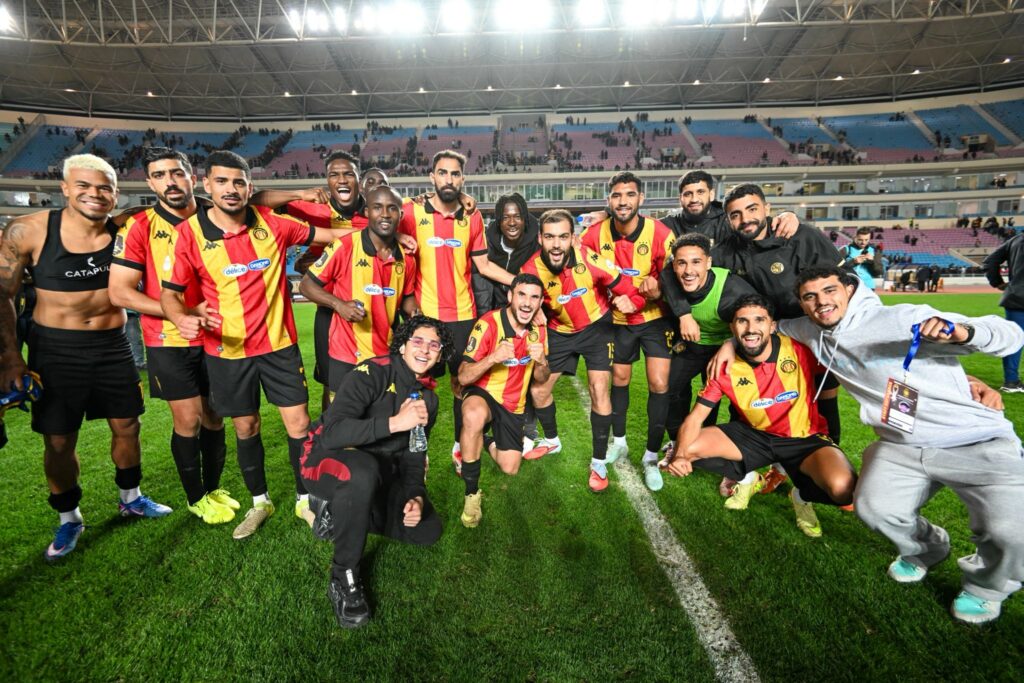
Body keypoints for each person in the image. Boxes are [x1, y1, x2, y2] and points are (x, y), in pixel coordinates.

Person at [784, 265, 1024, 624]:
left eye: (830, 291)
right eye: (810, 297)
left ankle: (986, 588)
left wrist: (963, 332)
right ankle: (926, 549)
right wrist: (728, 345)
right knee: (873, 508)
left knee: (1013, 532)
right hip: (901, 444)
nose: (821, 302)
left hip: (976, 438)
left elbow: (1010, 334)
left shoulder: (902, 318)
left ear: (849, 290)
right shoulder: (810, 329)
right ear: (802, 304)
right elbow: (766, 326)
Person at [161, 150, 349, 540]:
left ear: (250, 187)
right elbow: (170, 293)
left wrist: (390, 230)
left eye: (239, 182)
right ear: (207, 185)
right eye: (222, 182)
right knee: (246, 426)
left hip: (279, 347)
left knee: (299, 424)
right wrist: (179, 317)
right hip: (227, 352)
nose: (231, 189)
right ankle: (260, 502)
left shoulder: (273, 223)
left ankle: (305, 499)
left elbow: (333, 236)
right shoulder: (189, 234)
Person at [0, 154, 170, 561]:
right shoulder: (28, 230)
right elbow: (3, 294)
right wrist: (11, 357)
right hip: (55, 349)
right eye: (83, 186)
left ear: (116, 192)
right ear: (64, 188)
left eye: (104, 187)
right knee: (59, 439)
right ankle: (69, 518)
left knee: (128, 425)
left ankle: (131, 498)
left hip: (113, 344)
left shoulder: (127, 227)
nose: (95, 194)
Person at [300, 316, 449, 629]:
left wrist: (416, 497)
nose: (425, 350)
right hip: (322, 459)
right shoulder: (372, 372)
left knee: (427, 529)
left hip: (373, 473)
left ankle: (339, 512)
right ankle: (343, 576)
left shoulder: (428, 399)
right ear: (403, 345)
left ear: (440, 355)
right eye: (418, 341)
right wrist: (395, 423)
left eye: (434, 345)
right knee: (363, 471)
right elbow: (333, 433)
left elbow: (414, 455)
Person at [667, 294, 857, 537]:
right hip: (754, 436)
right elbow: (695, 418)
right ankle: (748, 477)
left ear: (772, 325)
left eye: (759, 320)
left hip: (804, 439)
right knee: (683, 447)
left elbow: (841, 357)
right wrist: (681, 456)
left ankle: (801, 495)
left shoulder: (800, 349)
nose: (751, 328)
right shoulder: (724, 366)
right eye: (742, 321)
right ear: (732, 328)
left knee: (844, 490)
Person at [110, 147, 231, 524]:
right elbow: (120, 293)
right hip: (169, 340)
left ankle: (213, 489)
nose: (170, 182)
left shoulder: (216, 215)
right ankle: (196, 498)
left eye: (176, 173)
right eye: (160, 175)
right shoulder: (139, 226)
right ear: (150, 183)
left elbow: (257, 200)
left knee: (215, 416)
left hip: (217, 336)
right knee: (189, 420)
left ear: (192, 177)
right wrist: (182, 312)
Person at [397, 150, 514, 471]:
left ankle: (460, 446)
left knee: (462, 384)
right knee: (417, 387)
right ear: (431, 177)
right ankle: (418, 450)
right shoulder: (410, 210)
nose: (448, 179)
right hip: (426, 320)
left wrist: (517, 282)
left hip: (464, 317)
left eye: (454, 174)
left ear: (463, 179)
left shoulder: (471, 217)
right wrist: (398, 233)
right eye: (442, 172)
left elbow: (483, 265)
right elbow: (377, 222)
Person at [522, 209, 646, 492]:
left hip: (596, 329)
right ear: (540, 238)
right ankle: (552, 441)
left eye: (563, 237)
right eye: (550, 237)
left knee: (599, 389)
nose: (556, 245)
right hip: (560, 331)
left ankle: (599, 463)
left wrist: (633, 302)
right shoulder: (530, 271)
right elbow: (519, 304)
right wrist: (531, 312)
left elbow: (628, 287)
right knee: (538, 391)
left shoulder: (590, 260)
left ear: (573, 238)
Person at [581, 171, 675, 491]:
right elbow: (581, 265)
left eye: (630, 194)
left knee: (659, 383)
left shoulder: (659, 233)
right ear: (608, 200)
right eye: (617, 195)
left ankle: (650, 456)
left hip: (654, 318)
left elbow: (672, 278)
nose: (623, 201)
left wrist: (647, 294)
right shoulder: (594, 234)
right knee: (619, 380)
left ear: (641, 198)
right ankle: (619, 442)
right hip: (617, 321)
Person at [298, 185, 418, 393]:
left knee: (383, 410)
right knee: (344, 411)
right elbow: (306, 285)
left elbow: (406, 299)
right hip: (346, 354)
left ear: (400, 215)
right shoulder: (344, 247)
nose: (385, 214)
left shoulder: (407, 259)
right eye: (377, 207)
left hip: (386, 353)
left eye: (391, 208)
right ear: (367, 212)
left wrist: (416, 314)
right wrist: (339, 305)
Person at [457, 273, 550, 527]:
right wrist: (492, 358)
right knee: (473, 416)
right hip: (484, 393)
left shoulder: (539, 330)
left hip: (513, 404)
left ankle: (482, 440)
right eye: (522, 295)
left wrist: (542, 361)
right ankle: (471, 494)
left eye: (534, 297)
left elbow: (541, 379)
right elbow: (463, 376)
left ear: (540, 302)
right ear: (510, 296)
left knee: (510, 467)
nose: (527, 303)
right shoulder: (488, 324)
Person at [661, 234, 757, 449]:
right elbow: (666, 275)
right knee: (669, 389)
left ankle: (711, 442)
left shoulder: (733, 291)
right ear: (674, 264)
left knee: (719, 395)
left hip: (728, 347)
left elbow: (758, 320)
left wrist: (731, 343)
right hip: (693, 345)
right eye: (681, 263)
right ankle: (677, 440)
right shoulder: (670, 275)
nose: (688, 270)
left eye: (696, 262)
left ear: (708, 263)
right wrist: (684, 315)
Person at [472, 192, 539, 314]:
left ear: (525, 219)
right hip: (492, 314)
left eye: (517, 217)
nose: (512, 223)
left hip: (527, 313)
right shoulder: (485, 245)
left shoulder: (537, 246)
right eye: (505, 218)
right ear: (499, 221)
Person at [983, 231, 1024, 392]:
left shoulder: (1016, 240)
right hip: (1017, 297)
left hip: (1016, 297)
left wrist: (998, 282)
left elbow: (989, 262)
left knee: (1014, 339)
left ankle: (1011, 381)